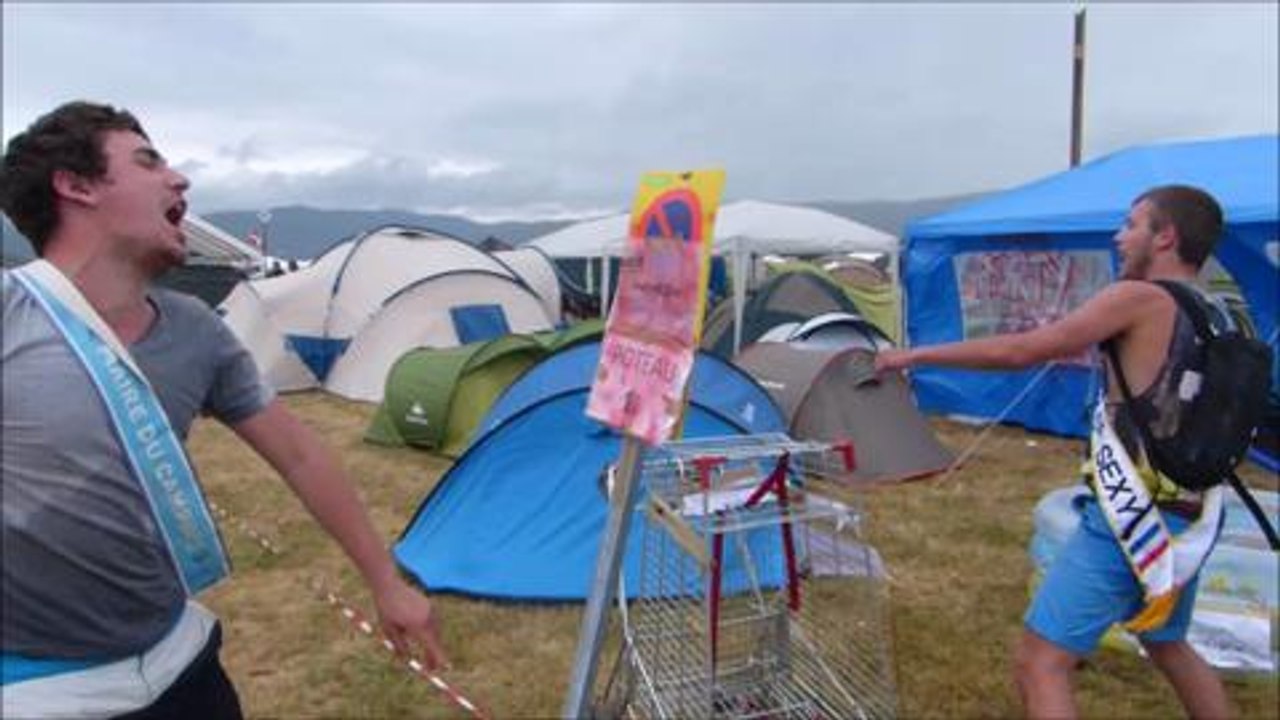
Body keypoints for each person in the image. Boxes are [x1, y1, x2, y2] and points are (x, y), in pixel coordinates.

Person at [1, 101, 447, 718]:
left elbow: (299, 454)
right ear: (76, 186)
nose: (179, 179)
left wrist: (387, 583)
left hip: (180, 663)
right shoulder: (9, 311)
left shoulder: (196, 331)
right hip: (35, 689)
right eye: (147, 161)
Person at [875, 185, 1231, 719]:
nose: (1119, 235)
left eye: (1132, 224)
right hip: (1190, 513)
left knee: (1041, 661)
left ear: (1166, 237)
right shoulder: (1219, 311)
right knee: (1168, 644)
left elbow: (1020, 349)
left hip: (1131, 516)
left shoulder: (1137, 298)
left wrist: (914, 355)